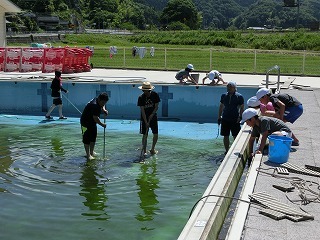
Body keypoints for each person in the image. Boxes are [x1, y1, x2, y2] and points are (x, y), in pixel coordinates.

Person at [218, 82, 244, 154]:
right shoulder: (224, 95)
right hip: (225, 118)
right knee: (225, 135)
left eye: (230, 87)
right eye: (228, 87)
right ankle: (227, 150)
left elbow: (242, 107)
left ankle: (237, 150)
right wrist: (219, 116)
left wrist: (240, 117)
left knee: (235, 135)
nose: (229, 88)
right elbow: (221, 106)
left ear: (234, 88)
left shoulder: (239, 96)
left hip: (234, 118)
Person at [80, 93, 109, 160]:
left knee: (93, 137)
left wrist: (104, 110)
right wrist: (102, 125)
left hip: (92, 122)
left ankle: (92, 152)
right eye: (103, 102)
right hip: (85, 122)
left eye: (105, 102)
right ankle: (88, 155)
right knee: (86, 138)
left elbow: (102, 105)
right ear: (99, 99)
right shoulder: (95, 105)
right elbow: (96, 118)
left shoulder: (98, 100)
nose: (103, 104)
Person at [137, 82, 161, 157]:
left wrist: (152, 114)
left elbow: (156, 106)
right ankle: (144, 150)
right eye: (143, 91)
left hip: (153, 117)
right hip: (144, 117)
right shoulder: (141, 97)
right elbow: (142, 111)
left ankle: (152, 149)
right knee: (145, 135)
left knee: (156, 134)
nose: (144, 92)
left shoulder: (155, 95)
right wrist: (146, 121)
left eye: (146, 91)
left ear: (149, 90)